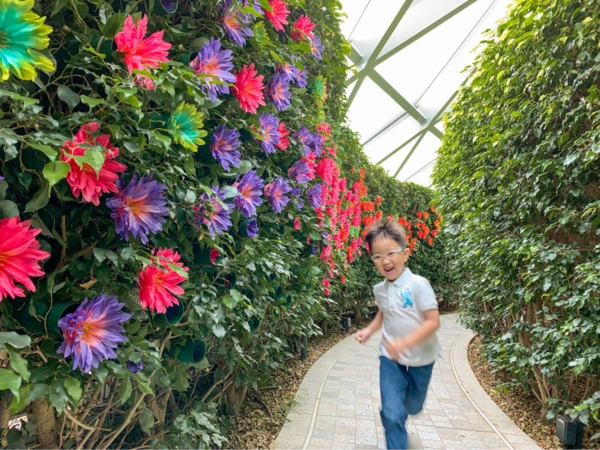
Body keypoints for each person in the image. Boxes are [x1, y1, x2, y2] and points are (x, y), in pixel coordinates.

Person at [355, 218, 440, 450]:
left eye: (391, 253)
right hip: (390, 357)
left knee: (412, 407)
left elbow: (433, 321)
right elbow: (384, 313)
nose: (385, 261)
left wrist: (406, 342)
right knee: (392, 413)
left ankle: (399, 416)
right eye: (377, 256)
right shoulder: (380, 290)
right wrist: (369, 331)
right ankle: (396, 436)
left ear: (406, 253)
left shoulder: (418, 284)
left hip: (422, 357)